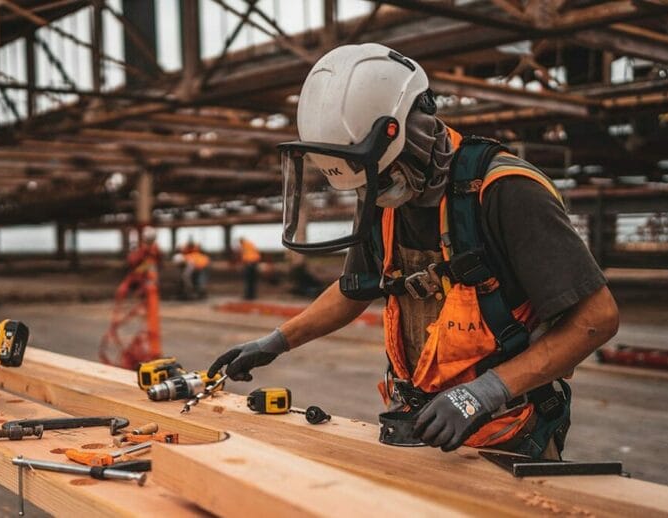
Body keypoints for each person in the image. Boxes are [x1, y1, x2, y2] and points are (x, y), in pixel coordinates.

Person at [207, 44, 618, 460]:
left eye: (383, 176)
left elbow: (597, 318)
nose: (375, 193)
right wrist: (276, 341)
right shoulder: (380, 193)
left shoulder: (505, 191)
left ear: (413, 132)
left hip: (508, 430)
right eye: (367, 184)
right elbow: (354, 290)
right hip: (416, 425)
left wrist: (485, 392)